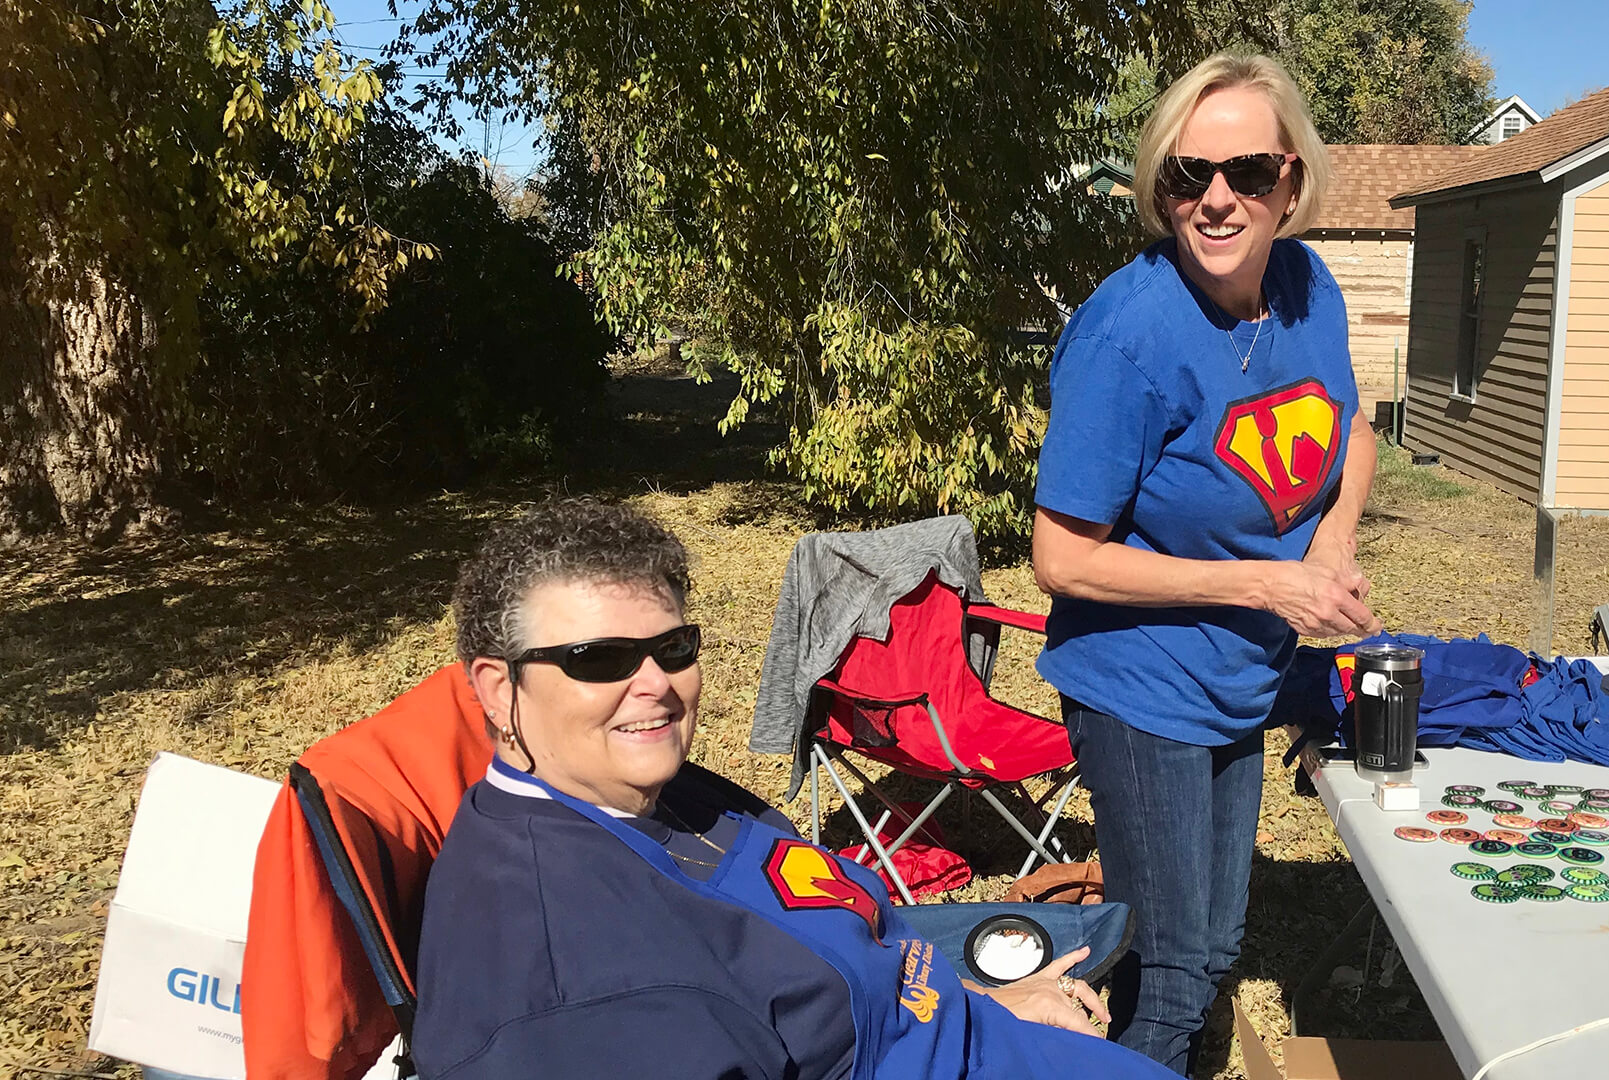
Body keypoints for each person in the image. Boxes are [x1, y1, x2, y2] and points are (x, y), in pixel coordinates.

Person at [410, 498, 1182, 1080]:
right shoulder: (569, 987)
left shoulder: (653, 793)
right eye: (599, 658)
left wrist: (981, 1003)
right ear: (498, 690)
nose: (655, 686)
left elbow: (824, 961)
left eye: (672, 648)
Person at [1030, 52, 1379, 1074]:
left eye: (1247, 173)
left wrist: (1331, 540)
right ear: (1160, 186)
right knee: (1177, 968)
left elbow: (1351, 430)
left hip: (1244, 668)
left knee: (1216, 942)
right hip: (1141, 682)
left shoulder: (1310, 289)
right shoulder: (1126, 334)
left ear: (1292, 183)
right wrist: (1268, 583)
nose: (1217, 199)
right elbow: (1060, 556)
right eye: (1189, 176)